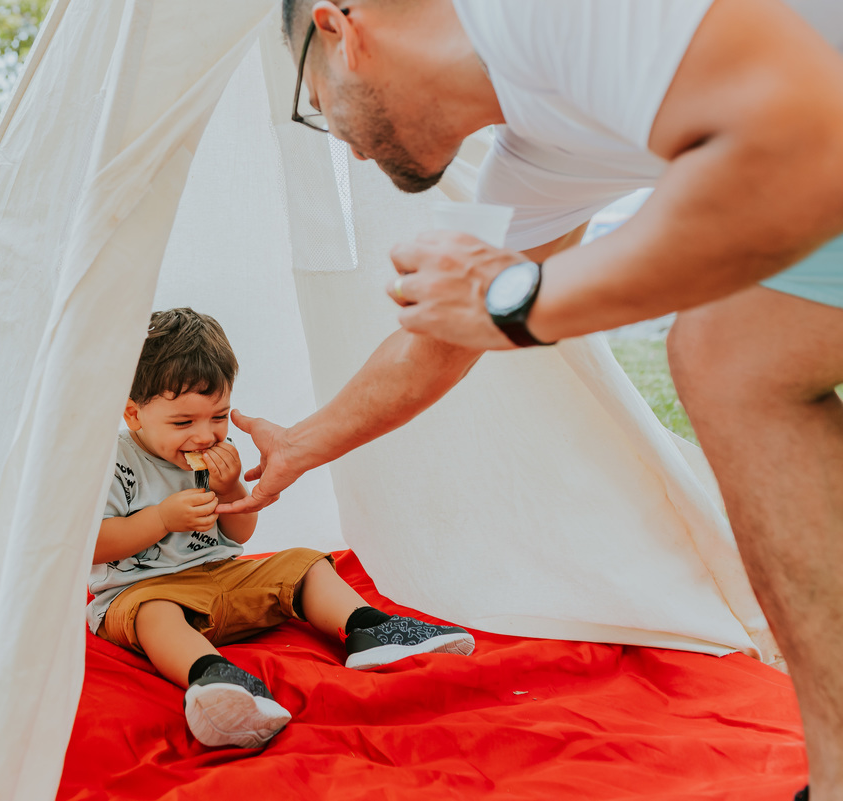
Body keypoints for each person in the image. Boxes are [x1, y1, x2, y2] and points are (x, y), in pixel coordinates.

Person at [215, 1, 843, 797]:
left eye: (316, 101)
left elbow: (800, 140)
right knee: (738, 360)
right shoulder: (540, 147)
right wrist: (301, 446)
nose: (335, 133)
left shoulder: (535, 14)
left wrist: (520, 296)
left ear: (343, 29)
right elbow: (440, 344)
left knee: (728, 354)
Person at [90, 307, 475, 749]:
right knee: (155, 611)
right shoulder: (114, 462)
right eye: (183, 423)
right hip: (139, 593)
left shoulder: (219, 450)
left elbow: (239, 536)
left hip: (218, 578)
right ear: (133, 414)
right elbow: (92, 547)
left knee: (303, 562)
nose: (203, 436)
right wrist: (160, 519)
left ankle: (369, 630)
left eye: (218, 417)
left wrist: (231, 485)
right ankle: (212, 677)